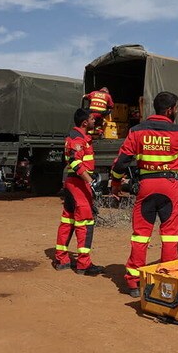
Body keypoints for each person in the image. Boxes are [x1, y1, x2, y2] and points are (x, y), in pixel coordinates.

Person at [110, 91, 178, 297]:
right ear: (170, 110)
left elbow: (121, 162)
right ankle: (167, 278)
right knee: (170, 236)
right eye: (176, 108)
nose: (176, 111)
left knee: (140, 236)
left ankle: (134, 283)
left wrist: (116, 183)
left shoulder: (136, 131)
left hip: (146, 186)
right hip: (170, 187)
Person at [54, 108, 105, 275]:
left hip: (74, 183)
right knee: (85, 222)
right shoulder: (77, 138)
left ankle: (61, 259)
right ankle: (84, 264)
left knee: (68, 220)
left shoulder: (80, 137)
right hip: (78, 184)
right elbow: (75, 162)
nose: (94, 121)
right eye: (92, 119)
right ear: (84, 122)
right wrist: (91, 182)